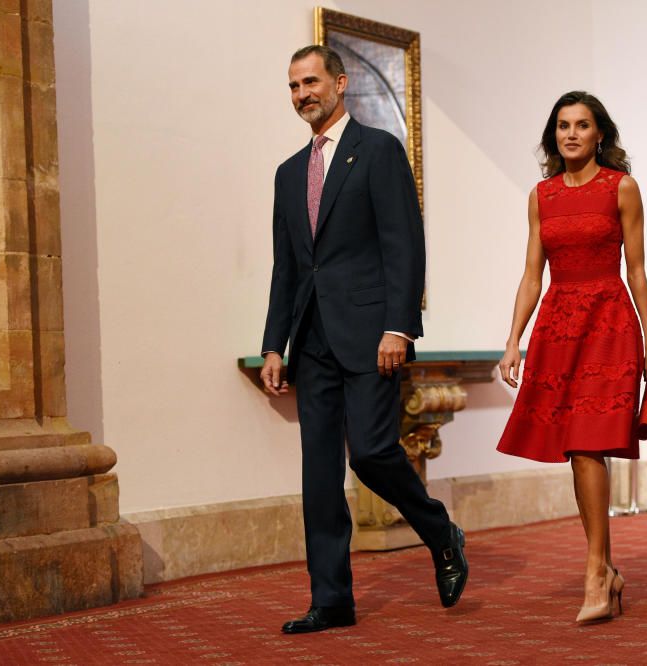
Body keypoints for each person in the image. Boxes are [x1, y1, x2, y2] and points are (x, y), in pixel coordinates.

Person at [259, 45, 468, 635]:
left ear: (341, 83)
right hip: (313, 339)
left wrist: (398, 326)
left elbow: (405, 243)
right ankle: (331, 599)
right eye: (294, 85)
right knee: (319, 474)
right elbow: (288, 268)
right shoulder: (287, 173)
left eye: (312, 82)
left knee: (373, 453)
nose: (303, 94)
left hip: (373, 333)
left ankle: (438, 530)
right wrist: (276, 343)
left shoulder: (378, 150)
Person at [496, 91, 647, 623]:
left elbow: (636, 270)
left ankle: (595, 571)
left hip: (610, 322)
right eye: (563, 125)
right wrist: (513, 339)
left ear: (600, 134)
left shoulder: (622, 188)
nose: (572, 133)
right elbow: (532, 274)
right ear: (555, 135)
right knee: (577, 447)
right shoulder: (541, 196)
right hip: (558, 325)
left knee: (591, 441)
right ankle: (606, 569)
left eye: (583, 125)